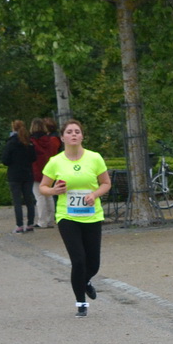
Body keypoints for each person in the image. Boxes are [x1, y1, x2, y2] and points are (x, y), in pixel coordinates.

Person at [38, 118, 112, 316]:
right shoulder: (55, 162)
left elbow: (106, 183)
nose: (73, 135)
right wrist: (54, 190)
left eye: (77, 132)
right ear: (62, 137)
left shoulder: (95, 158)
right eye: (69, 132)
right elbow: (43, 187)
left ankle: (85, 281)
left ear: (82, 136)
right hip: (67, 217)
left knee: (93, 264)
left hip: (92, 216)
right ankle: (81, 303)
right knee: (78, 260)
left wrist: (94, 195)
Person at [2, 120, 37, 233]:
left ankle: (19, 225)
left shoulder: (11, 143)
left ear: (13, 128)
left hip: (14, 175)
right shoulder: (28, 142)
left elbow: (5, 160)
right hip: (28, 174)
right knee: (29, 200)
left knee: (17, 201)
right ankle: (30, 224)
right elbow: (34, 158)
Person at [29, 118, 62, 230]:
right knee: (49, 195)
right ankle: (50, 220)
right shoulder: (50, 140)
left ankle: (42, 221)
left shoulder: (32, 142)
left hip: (36, 170)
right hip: (49, 170)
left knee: (39, 196)